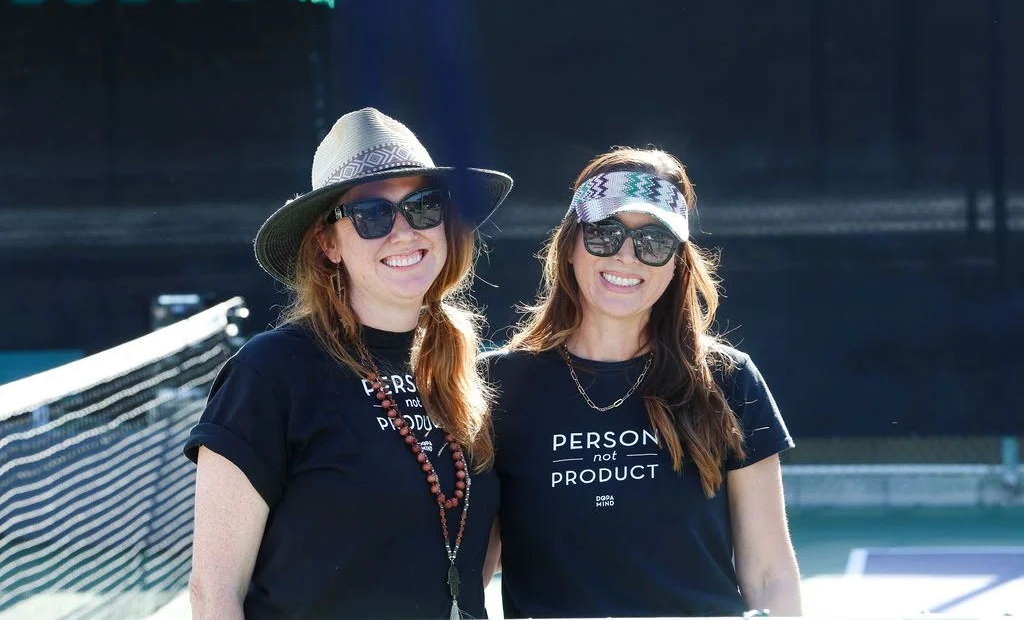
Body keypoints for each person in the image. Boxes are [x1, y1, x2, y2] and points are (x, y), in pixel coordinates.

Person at [183, 107, 513, 620]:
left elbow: (475, 559)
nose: (403, 233)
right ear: (328, 244)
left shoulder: (464, 371)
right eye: (372, 215)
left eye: (423, 207)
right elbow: (213, 594)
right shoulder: (272, 372)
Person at [484, 147, 802, 618]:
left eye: (654, 241)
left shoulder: (728, 380)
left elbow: (770, 574)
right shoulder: (495, 384)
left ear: (676, 264)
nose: (626, 255)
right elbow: (472, 565)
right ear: (570, 246)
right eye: (604, 233)